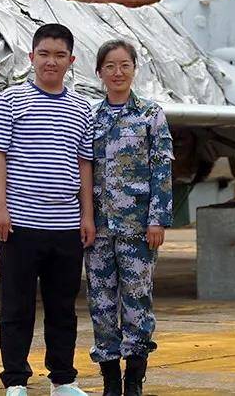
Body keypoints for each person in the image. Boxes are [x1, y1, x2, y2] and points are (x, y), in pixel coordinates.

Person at [0, 23, 97, 396]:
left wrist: (87, 216)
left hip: (65, 226)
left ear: (71, 61)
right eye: (44, 54)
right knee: (16, 308)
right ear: (31, 57)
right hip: (19, 224)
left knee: (63, 308)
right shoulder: (11, 100)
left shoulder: (82, 108)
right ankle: (15, 380)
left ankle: (63, 379)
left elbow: (84, 164)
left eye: (59, 55)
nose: (51, 61)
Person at [86, 40, 173, 396]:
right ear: (99, 72)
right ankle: (109, 379)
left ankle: (134, 378)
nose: (117, 72)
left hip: (139, 228)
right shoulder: (89, 116)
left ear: (135, 69)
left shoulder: (151, 115)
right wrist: (85, 219)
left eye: (124, 65)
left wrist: (158, 220)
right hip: (99, 229)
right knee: (101, 303)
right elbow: (82, 171)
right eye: (110, 66)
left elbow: (162, 168)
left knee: (138, 301)